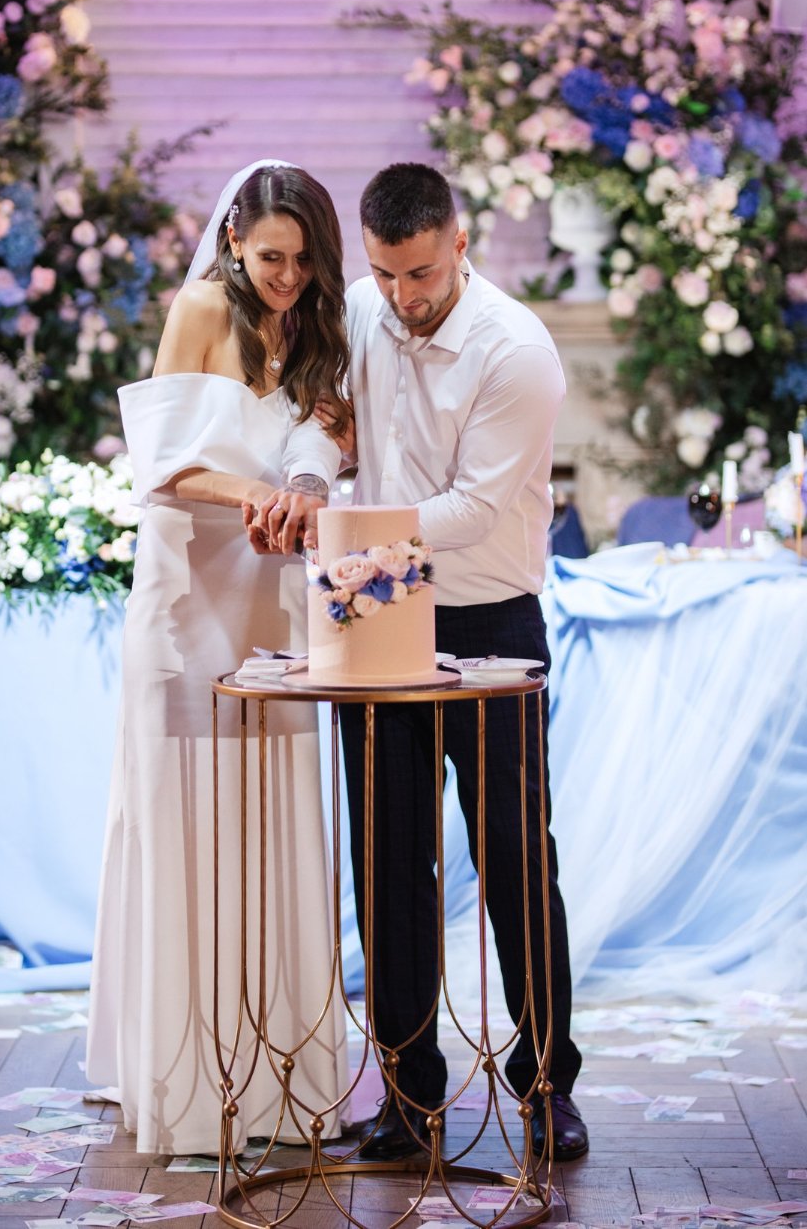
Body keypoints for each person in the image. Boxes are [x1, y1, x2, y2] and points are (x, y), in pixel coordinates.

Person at [86, 161, 352, 1155]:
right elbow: (159, 466)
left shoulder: (319, 324)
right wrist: (255, 498)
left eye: (303, 261)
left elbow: (330, 438)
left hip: (272, 595)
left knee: (270, 813)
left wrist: (305, 486)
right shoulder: (202, 306)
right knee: (188, 814)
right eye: (271, 258)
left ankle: (282, 1074)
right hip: (188, 597)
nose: (286, 278)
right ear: (236, 241)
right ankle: (189, 1083)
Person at [339, 162, 587, 1163]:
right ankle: (407, 1096)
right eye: (386, 274)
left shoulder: (515, 348)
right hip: (381, 608)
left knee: (514, 860)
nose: (402, 297)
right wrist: (327, 505)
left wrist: (340, 538)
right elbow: (327, 425)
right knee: (386, 862)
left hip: (489, 616)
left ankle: (544, 1083)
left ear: (459, 242)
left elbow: (476, 510)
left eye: (421, 275)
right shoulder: (360, 308)